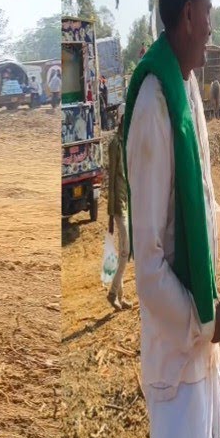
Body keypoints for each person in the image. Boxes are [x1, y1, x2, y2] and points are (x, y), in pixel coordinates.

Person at [120, 0, 220, 438]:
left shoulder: (190, 88)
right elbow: (148, 267)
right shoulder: (154, 102)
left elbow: (193, 211)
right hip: (178, 364)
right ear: (191, 13)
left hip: (204, 353)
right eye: (211, 14)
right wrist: (204, 320)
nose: (213, 29)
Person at [104, 109, 133, 311]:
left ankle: (120, 298)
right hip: (118, 206)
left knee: (125, 248)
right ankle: (113, 292)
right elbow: (112, 179)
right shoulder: (115, 145)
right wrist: (109, 213)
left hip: (126, 203)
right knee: (126, 250)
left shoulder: (126, 144)